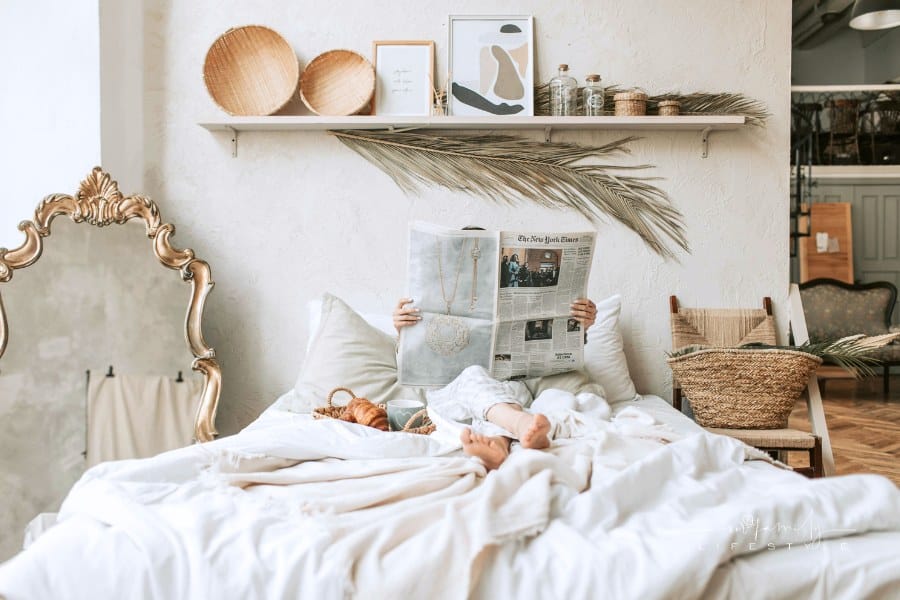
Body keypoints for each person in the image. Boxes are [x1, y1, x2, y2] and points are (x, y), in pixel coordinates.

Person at [393, 294, 599, 470]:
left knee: (504, 394)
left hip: (511, 388)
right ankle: (520, 423)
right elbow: (412, 363)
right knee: (473, 375)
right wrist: (402, 332)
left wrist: (580, 326)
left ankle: (498, 446)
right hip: (452, 393)